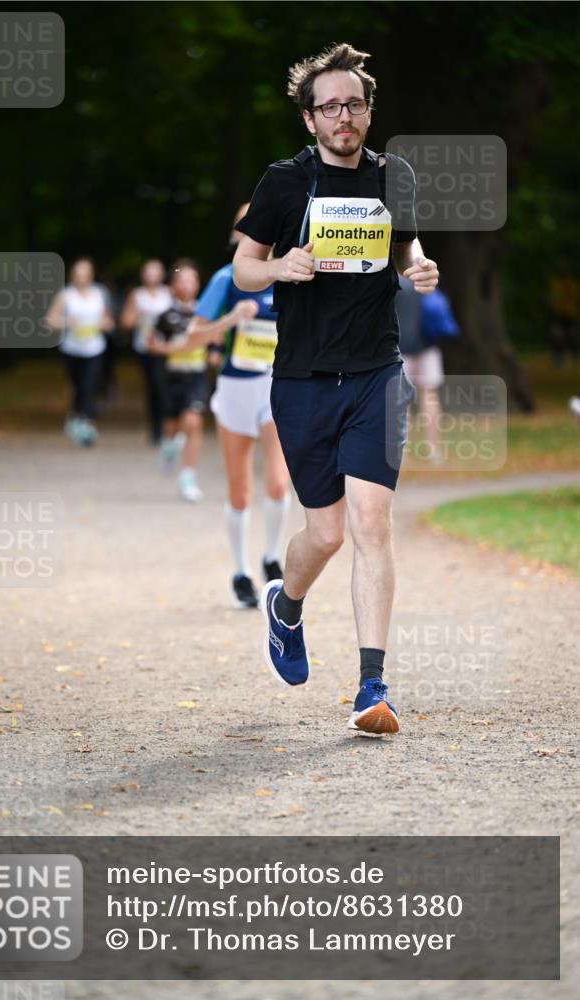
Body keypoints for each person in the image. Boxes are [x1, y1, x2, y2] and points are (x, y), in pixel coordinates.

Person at [232, 43, 439, 735]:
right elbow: (241, 268)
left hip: (377, 373)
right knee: (322, 534)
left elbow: (405, 242)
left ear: (367, 110)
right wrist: (280, 266)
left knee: (370, 525)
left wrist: (417, 264)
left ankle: (371, 687)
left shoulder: (392, 175)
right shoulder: (283, 183)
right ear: (309, 118)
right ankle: (285, 608)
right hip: (302, 379)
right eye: (330, 107)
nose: (343, 117)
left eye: (353, 104)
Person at [155, 205, 291, 608]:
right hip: (235, 389)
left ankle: (271, 557)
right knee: (239, 489)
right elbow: (192, 338)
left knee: (279, 481)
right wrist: (230, 320)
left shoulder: (288, 272)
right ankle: (240, 572)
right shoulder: (224, 278)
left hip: (275, 386)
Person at [148, 261, 208, 503]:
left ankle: (188, 477)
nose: (186, 284)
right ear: (173, 286)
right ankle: (170, 447)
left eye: (191, 280)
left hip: (196, 377)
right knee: (173, 426)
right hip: (172, 377)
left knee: (193, 420)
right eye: (181, 280)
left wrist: (213, 353)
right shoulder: (165, 316)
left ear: (197, 285)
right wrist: (172, 347)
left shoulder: (205, 314)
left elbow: (215, 344)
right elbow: (151, 344)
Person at [45, 257, 114, 446]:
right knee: (78, 386)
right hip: (72, 349)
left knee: (90, 385)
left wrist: (103, 324)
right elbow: (50, 320)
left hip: (95, 348)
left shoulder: (99, 294)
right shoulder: (65, 294)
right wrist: (67, 322)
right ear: (72, 275)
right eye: (78, 274)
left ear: (91, 276)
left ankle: (87, 423)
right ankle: (75, 416)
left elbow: (109, 321)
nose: (82, 278)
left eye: (86, 274)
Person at [398, 276, 458, 465]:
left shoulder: (392, 284)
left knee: (400, 402)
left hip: (399, 350)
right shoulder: (424, 281)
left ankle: (402, 452)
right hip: (427, 347)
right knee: (430, 397)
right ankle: (434, 451)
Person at [120, 259, 173, 444]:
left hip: (165, 348)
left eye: (155, 272)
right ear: (143, 275)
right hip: (144, 348)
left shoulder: (168, 293)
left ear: (162, 274)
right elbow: (126, 322)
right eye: (148, 272)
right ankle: (156, 428)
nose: (151, 276)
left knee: (164, 386)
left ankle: (167, 425)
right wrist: (139, 316)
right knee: (153, 387)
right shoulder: (137, 295)